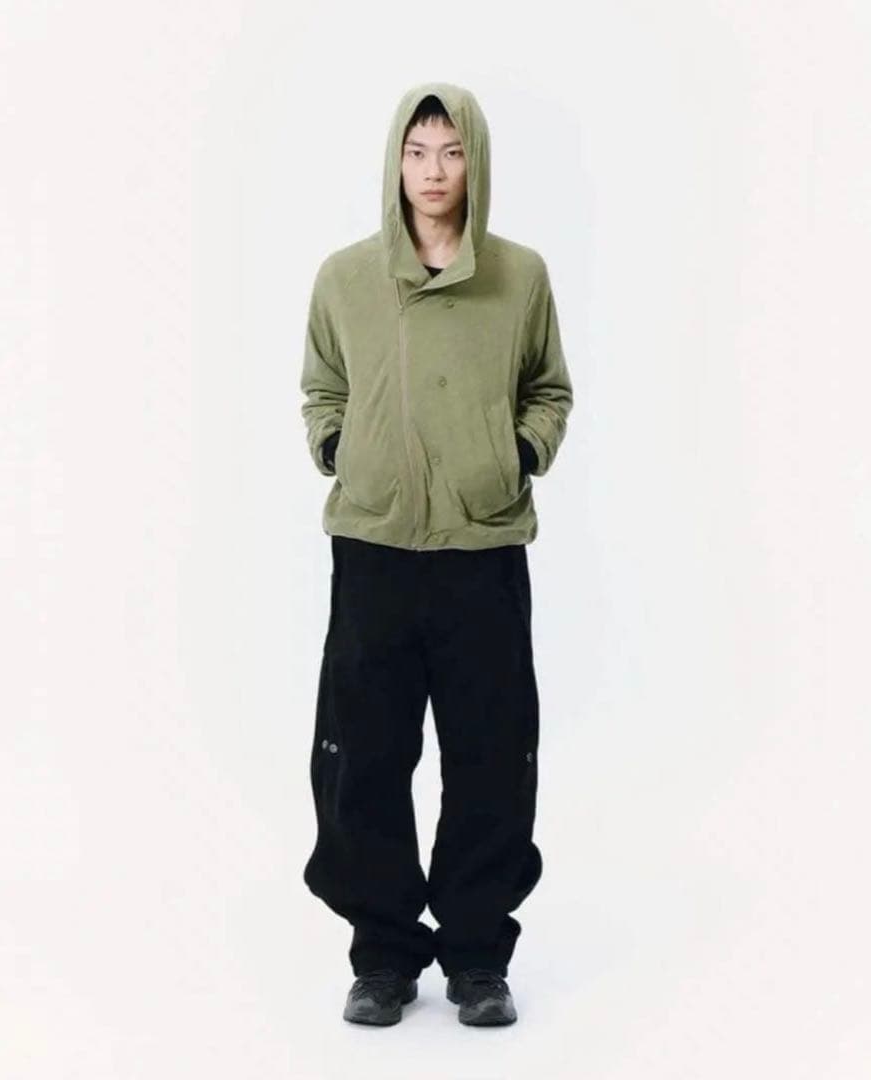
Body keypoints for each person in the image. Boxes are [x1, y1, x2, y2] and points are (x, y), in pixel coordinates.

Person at [300, 82, 574, 1027]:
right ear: (395, 161)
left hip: (481, 546)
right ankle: (381, 956)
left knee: (490, 753)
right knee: (363, 756)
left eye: (451, 152)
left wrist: (517, 456)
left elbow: (548, 389)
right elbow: (321, 386)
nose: (433, 171)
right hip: (373, 543)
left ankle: (477, 956)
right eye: (417, 151)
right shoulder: (344, 277)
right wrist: (340, 448)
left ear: (475, 162)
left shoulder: (519, 276)